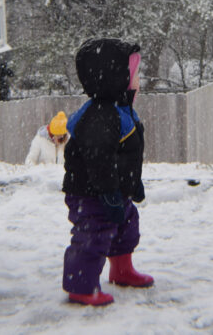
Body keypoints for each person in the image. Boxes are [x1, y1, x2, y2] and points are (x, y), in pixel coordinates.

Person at [62, 38, 154, 306]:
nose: (139, 80)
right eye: (135, 74)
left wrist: (132, 184)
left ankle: (121, 269)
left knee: (126, 227)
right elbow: (99, 160)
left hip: (115, 191)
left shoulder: (121, 111)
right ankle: (81, 285)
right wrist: (108, 194)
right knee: (93, 235)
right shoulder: (101, 116)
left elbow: (126, 155)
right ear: (116, 78)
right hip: (91, 194)